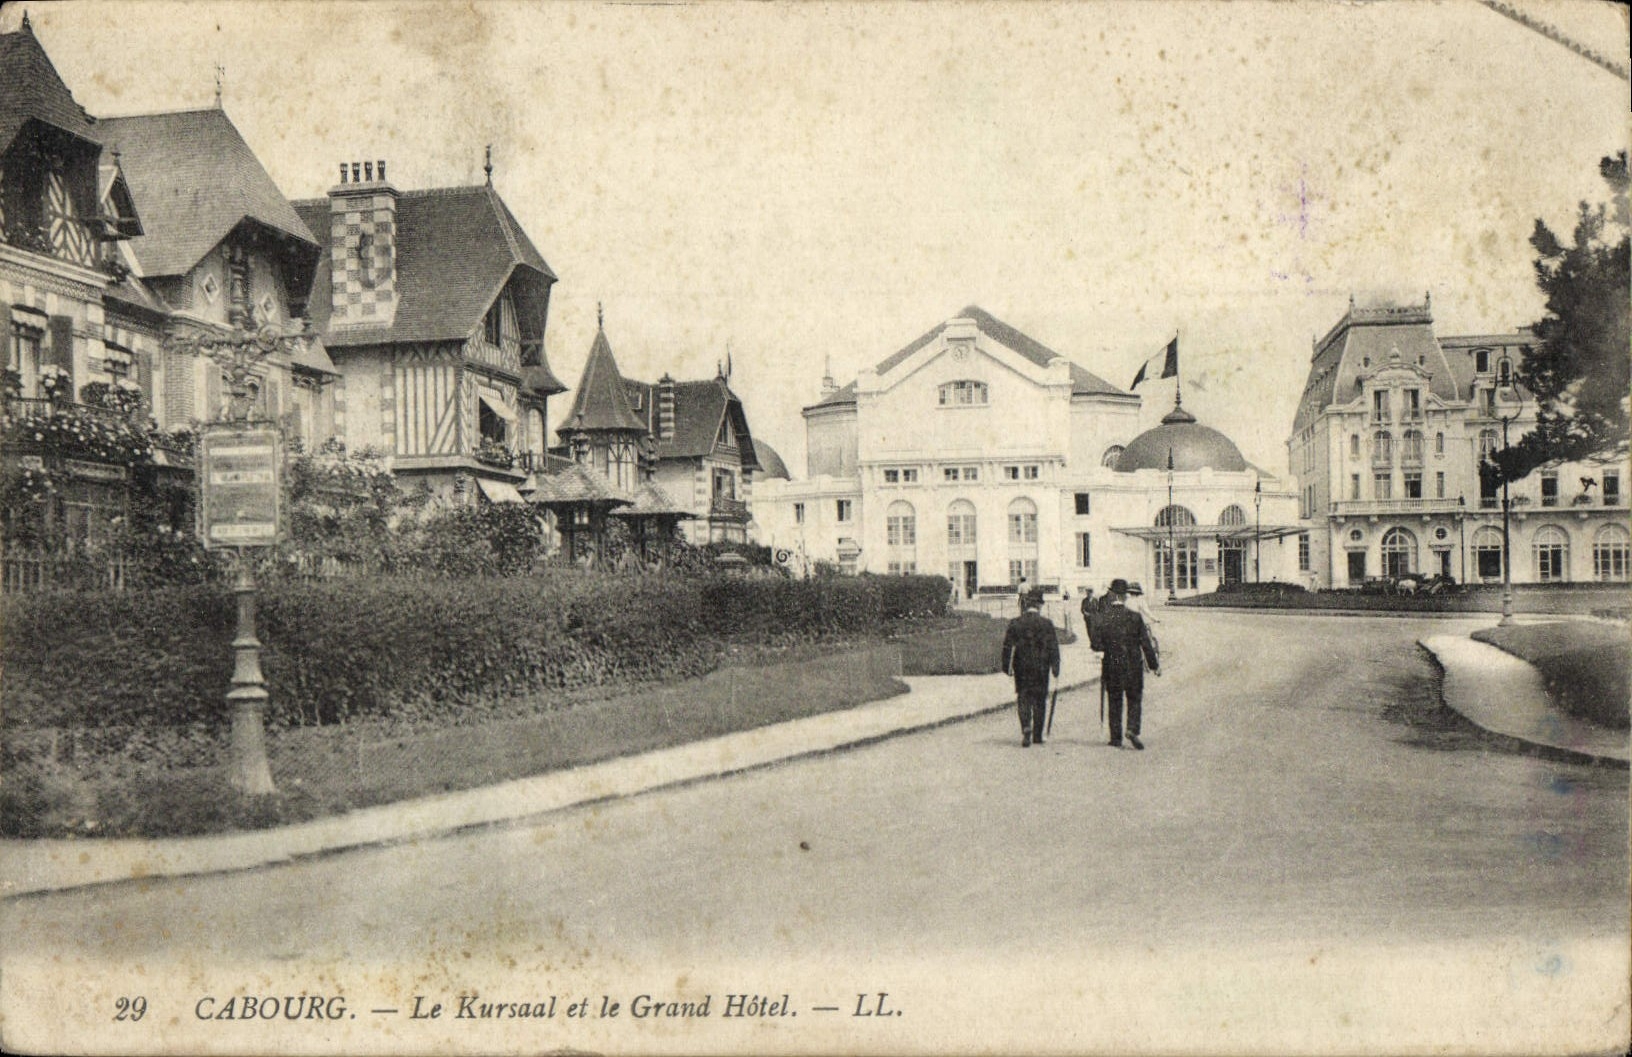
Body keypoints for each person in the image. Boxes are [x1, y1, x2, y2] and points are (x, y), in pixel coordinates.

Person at [1097, 578, 1160, 750]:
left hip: (1112, 666)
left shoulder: (1104, 618)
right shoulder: (1135, 617)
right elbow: (1145, 643)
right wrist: (1154, 665)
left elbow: (1097, 643)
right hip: (1133, 666)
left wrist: (1102, 651)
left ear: (1112, 595)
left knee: (1114, 700)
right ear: (1125, 596)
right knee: (1134, 698)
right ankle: (1132, 729)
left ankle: (1115, 737)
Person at [1001, 587, 1061, 748]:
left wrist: (1006, 667)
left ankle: (1026, 726)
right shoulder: (1047, 624)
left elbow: (1007, 647)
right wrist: (1055, 667)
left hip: (1021, 667)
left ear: (1026, 604)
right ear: (1040, 605)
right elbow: (1054, 648)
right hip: (1041, 667)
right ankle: (1037, 735)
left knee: (1023, 697)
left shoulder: (1016, 623)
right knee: (1040, 699)